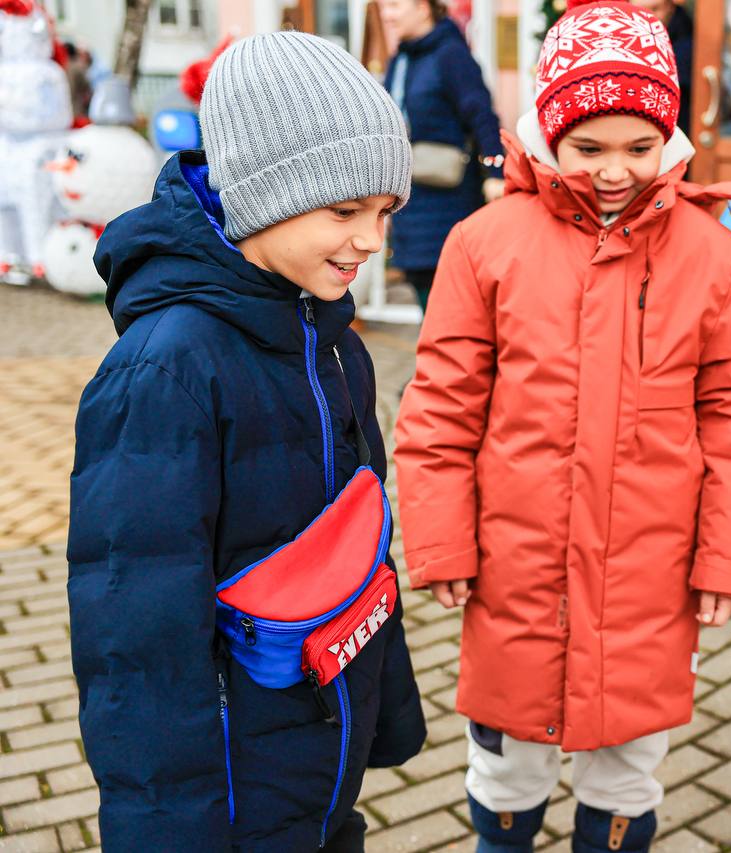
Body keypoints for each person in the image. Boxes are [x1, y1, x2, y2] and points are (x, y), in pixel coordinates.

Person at [393, 0, 731, 849]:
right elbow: (440, 404)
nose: (616, 171)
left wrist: (728, 556)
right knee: (506, 766)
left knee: (629, 764)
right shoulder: (484, 244)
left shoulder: (718, 260)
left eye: (640, 148)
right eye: (590, 147)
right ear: (547, 135)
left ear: (670, 138)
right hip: (514, 565)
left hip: (650, 568)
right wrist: (440, 537)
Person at [68, 32, 425, 852]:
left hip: (321, 756)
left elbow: (362, 546)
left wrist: (387, 707)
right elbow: (138, 640)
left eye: (384, 213)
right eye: (346, 211)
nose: (372, 241)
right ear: (265, 195)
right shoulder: (165, 372)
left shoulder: (333, 338)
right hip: (228, 789)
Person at [380, 0, 504, 312]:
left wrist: (496, 174)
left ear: (424, 7)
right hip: (412, 202)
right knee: (427, 299)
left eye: (394, 5)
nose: (387, 14)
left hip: (449, 203)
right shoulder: (402, 59)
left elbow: (483, 117)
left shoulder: (451, 55)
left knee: (451, 306)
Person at [631, 0, 694, 135]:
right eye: (639, 11)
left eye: (655, 9)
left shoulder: (689, 42)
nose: (647, 17)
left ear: (670, 8)